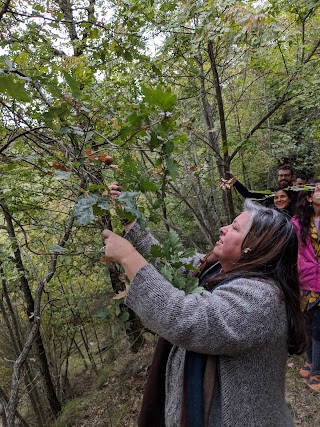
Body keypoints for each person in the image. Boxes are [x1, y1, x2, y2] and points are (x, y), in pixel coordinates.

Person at [103, 194, 306, 426]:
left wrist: (129, 257)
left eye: (234, 228)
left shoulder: (262, 298)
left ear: (253, 245)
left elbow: (188, 319)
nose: (223, 228)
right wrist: (128, 217)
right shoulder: (216, 269)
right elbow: (172, 263)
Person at [292, 179, 320, 392]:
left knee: (318, 328)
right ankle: (310, 361)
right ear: (310, 197)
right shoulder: (298, 223)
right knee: (309, 326)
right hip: (306, 281)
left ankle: (316, 371)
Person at [227, 165, 295, 205]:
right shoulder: (271, 193)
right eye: (281, 175)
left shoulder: (298, 193)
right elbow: (248, 194)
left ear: (292, 177)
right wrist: (235, 182)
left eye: (286, 175)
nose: (283, 178)